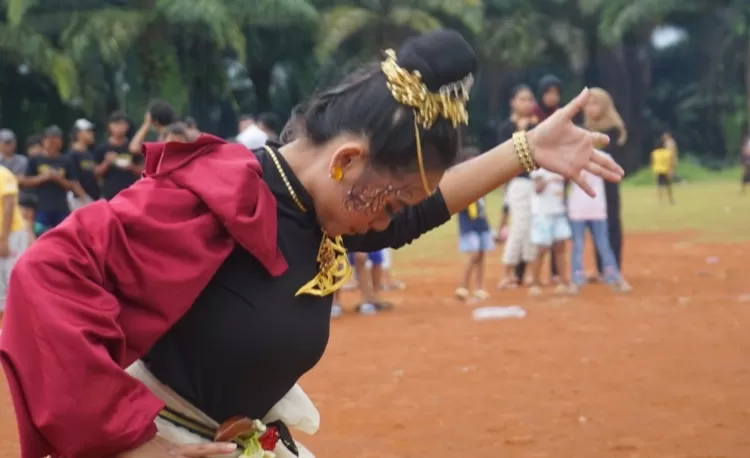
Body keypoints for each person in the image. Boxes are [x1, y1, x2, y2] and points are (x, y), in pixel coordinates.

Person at [0, 30, 621, 458]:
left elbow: (416, 210)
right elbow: (43, 276)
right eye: (388, 202)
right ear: (349, 160)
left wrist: (524, 152)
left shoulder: (316, 210)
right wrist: (133, 442)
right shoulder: (216, 194)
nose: (385, 226)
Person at [567, 150, 632, 294]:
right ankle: (576, 280)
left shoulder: (602, 157)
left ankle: (614, 278)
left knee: (601, 245)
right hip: (579, 208)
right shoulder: (573, 156)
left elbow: (615, 172)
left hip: (595, 208)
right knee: (580, 246)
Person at [497, 85, 539, 288]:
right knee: (519, 227)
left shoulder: (537, 127)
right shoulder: (506, 128)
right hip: (517, 182)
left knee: (531, 228)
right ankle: (507, 270)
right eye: (522, 99)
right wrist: (521, 130)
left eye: (530, 99)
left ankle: (529, 271)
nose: (527, 103)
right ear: (513, 102)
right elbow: (509, 156)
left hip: (536, 182)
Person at [583, 87, 627, 276]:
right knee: (595, 226)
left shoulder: (614, 131)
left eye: (595, 103)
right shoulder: (584, 131)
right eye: (588, 104)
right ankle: (600, 266)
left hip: (608, 183)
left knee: (611, 223)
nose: (591, 108)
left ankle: (613, 265)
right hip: (590, 184)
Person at [532, 74, 564, 284]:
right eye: (548, 93)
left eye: (556, 93)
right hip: (540, 165)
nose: (552, 97)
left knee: (560, 238)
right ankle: (529, 276)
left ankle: (557, 274)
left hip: (559, 170)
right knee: (539, 238)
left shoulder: (561, 115)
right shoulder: (535, 116)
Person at [18, 126, 78, 234]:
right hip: (41, 207)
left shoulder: (66, 160)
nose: (52, 144)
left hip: (61, 207)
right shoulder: (35, 160)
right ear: (44, 141)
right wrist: (43, 177)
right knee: (42, 236)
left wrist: (58, 179)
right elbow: (25, 182)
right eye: (50, 140)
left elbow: (71, 185)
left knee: (62, 236)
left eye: (56, 140)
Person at [528, 168, 572, 295]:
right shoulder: (539, 168)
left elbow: (566, 184)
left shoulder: (560, 166)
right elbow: (538, 189)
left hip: (558, 211)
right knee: (541, 249)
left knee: (560, 248)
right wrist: (549, 179)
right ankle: (535, 283)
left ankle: (563, 283)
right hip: (542, 213)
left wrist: (566, 178)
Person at [94, 110, 143, 200]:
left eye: (123, 124)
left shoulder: (133, 147)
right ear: (109, 126)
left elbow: (142, 171)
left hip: (130, 193)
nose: (120, 127)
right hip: (110, 195)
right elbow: (95, 173)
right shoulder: (102, 148)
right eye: (117, 124)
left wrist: (131, 167)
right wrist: (107, 162)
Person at [0, 164, 29, 315]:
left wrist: (3, 239)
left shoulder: (4, 174)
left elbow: (9, 206)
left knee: (13, 277)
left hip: (11, 233)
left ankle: (18, 318)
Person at [455, 193, 493, 302]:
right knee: (474, 254)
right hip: (468, 223)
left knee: (481, 254)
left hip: (481, 222)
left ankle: (479, 287)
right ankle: (463, 287)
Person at [67, 118, 100, 210]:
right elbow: (73, 181)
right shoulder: (72, 155)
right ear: (78, 134)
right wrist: (86, 200)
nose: (92, 134)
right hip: (79, 200)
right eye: (88, 131)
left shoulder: (89, 154)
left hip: (92, 198)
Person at [650, 136, 675, 204]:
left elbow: (653, 162)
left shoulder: (654, 153)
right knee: (668, 186)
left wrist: (653, 171)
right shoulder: (667, 152)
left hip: (658, 170)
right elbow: (670, 162)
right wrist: (671, 170)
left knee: (659, 186)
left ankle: (661, 200)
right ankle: (671, 199)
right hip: (666, 170)